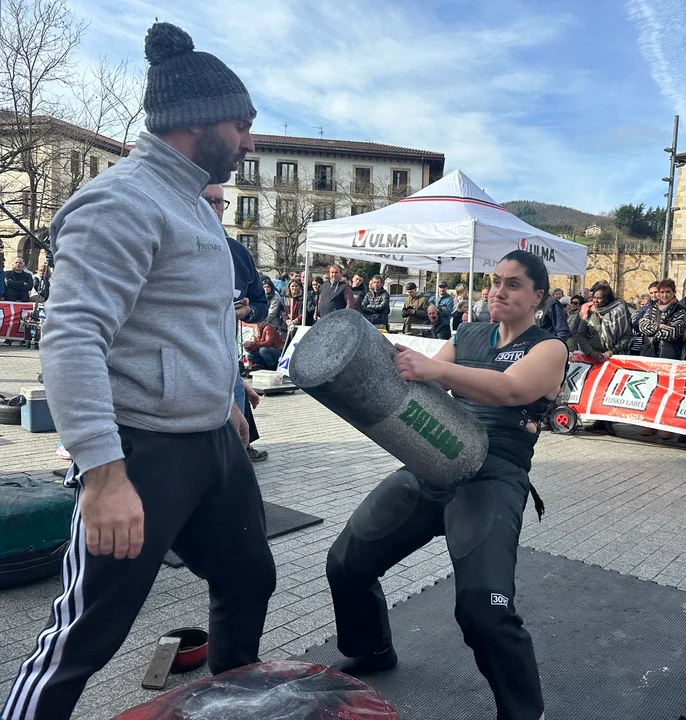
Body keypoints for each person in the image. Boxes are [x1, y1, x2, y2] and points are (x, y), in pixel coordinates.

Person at [2, 23, 276, 720]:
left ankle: (232, 704)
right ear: (197, 121)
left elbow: (194, 320)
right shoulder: (120, 201)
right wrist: (103, 474)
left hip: (212, 439)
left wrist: (225, 399)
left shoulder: (192, 203)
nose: (249, 142)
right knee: (86, 633)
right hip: (140, 452)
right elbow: (71, 337)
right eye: (242, 125)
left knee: (249, 578)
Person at [326, 250, 566, 720]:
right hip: (433, 462)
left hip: (493, 476)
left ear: (538, 295)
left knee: (484, 611)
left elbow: (511, 389)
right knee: (347, 562)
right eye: (495, 281)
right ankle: (372, 649)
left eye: (513, 284)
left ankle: (524, 712)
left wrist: (435, 368)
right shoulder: (468, 334)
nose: (498, 291)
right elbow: (422, 386)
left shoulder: (549, 348)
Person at [202, 182, 269, 463]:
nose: (212, 208)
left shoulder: (238, 253)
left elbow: (261, 305)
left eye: (218, 202)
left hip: (227, 366)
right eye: (205, 200)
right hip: (186, 370)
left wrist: (246, 312)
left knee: (234, 459)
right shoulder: (172, 245)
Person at [636, 279, 686, 359]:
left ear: (674, 292)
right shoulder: (652, 308)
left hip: (669, 356)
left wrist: (650, 332)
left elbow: (673, 332)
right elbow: (642, 326)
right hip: (649, 353)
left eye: (668, 292)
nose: (664, 295)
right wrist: (658, 326)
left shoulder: (679, 310)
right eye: (662, 292)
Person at [582, 283, 632, 360]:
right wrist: (590, 352)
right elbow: (580, 335)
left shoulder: (618, 313)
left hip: (614, 358)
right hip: (592, 358)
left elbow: (627, 335)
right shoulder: (589, 312)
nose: (596, 301)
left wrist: (613, 351)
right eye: (594, 298)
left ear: (607, 299)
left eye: (599, 298)